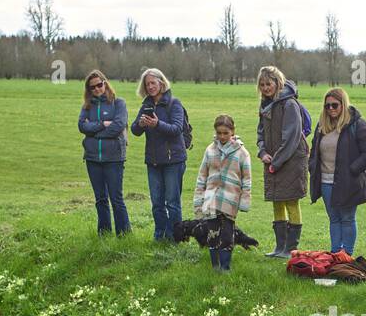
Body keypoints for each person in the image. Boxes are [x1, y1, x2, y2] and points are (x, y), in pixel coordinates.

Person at [308, 88, 366, 254]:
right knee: (334, 219)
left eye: (335, 105)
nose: (331, 109)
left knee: (347, 218)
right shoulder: (322, 126)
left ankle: (346, 255)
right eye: (327, 106)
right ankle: (334, 253)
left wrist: (353, 170)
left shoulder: (357, 124)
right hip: (325, 182)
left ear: (343, 104)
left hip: (348, 182)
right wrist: (312, 167)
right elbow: (314, 150)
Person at [256, 66, 309, 259]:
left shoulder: (289, 105)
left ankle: (290, 248)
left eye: (268, 84)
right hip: (272, 160)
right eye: (262, 85)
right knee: (277, 201)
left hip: (291, 160)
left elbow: (292, 138)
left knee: (291, 201)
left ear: (278, 83)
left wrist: (276, 161)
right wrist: (262, 152)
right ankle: (280, 247)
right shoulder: (264, 105)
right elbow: (260, 132)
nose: (265, 88)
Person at [130, 68, 187, 241]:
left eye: (153, 83)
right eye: (147, 84)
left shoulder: (174, 104)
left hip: (173, 160)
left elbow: (177, 129)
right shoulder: (146, 105)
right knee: (157, 203)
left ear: (161, 83)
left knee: (172, 202)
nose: (150, 87)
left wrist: (157, 124)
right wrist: (141, 124)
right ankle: (160, 235)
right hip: (153, 161)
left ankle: (176, 237)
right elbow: (134, 130)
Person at [192, 114, 253, 272]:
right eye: (219, 133)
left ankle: (225, 267)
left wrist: (244, 200)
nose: (222, 136)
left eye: (226, 133)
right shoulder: (210, 150)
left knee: (226, 235)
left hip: (230, 200)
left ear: (233, 131)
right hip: (211, 199)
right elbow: (202, 176)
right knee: (212, 233)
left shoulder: (242, 153)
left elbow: (247, 179)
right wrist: (199, 198)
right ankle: (215, 266)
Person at [77, 69, 131, 236]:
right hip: (93, 159)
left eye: (99, 85)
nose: (97, 89)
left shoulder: (118, 103)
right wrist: (102, 124)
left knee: (116, 199)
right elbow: (81, 126)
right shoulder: (87, 107)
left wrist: (94, 133)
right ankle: (104, 235)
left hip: (114, 158)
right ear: (89, 90)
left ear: (105, 84)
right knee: (100, 199)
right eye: (92, 87)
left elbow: (118, 126)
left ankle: (124, 235)